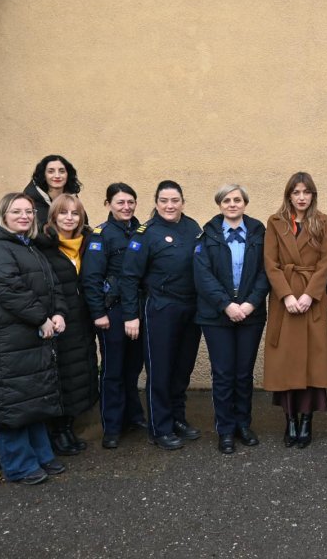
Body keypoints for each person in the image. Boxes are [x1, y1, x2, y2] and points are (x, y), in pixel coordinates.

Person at [0, 192, 67, 485]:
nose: (25, 216)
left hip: (29, 335)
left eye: (29, 211)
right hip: (7, 338)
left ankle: (40, 455)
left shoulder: (28, 247)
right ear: (3, 214)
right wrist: (41, 317)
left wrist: (59, 313)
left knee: (32, 396)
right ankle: (18, 465)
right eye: (17, 211)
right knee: (12, 401)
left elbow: (53, 285)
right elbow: (6, 288)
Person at [119, 181, 203, 451]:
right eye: (164, 200)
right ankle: (160, 427)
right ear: (156, 202)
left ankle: (178, 418)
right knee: (161, 369)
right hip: (160, 308)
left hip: (191, 308)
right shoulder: (146, 233)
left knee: (182, 368)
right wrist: (131, 315)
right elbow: (129, 277)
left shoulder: (193, 228)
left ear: (182, 201)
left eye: (175, 200)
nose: (170, 205)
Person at [194, 184, 270, 454]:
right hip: (216, 316)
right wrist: (226, 305)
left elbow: (267, 271)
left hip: (251, 313)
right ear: (220, 204)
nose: (232, 204)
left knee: (243, 373)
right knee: (224, 374)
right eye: (227, 200)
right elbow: (202, 275)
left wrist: (250, 304)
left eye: (237, 200)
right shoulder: (207, 235)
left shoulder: (259, 232)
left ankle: (243, 424)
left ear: (245, 203)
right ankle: (225, 429)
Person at [263, 172, 327, 448]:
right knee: (286, 362)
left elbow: (325, 263)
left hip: (311, 301)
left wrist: (309, 295)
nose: (302, 197)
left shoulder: (323, 222)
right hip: (285, 302)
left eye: (307, 192)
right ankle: (289, 420)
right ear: (289, 195)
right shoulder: (275, 222)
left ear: (313, 195)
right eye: (296, 192)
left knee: (311, 362)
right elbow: (270, 264)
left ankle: (307, 421)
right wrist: (287, 296)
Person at [81, 183, 147, 450]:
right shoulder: (101, 234)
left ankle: (133, 416)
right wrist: (98, 313)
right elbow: (91, 278)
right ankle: (112, 425)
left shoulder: (143, 231)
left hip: (139, 308)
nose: (126, 207)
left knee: (133, 368)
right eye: (120, 202)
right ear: (108, 204)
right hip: (113, 311)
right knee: (112, 370)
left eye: (130, 202)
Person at [35, 194, 99, 456]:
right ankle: (57, 431)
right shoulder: (44, 246)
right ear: (53, 217)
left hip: (82, 317)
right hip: (59, 319)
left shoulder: (89, 242)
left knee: (80, 372)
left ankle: (68, 427)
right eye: (63, 213)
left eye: (74, 213)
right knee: (61, 374)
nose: (69, 218)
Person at [24, 155, 83, 228]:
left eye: (62, 171)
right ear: (44, 175)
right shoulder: (30, 200)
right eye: (51, 171)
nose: (57, 176)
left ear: (68, 174)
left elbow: (83, 225)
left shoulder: (72, 197)